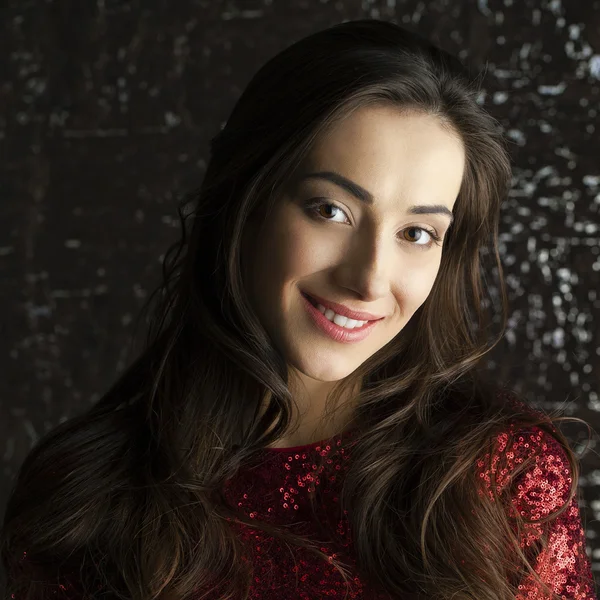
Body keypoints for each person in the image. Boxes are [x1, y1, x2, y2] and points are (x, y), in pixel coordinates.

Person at [1, 18, 597, 600]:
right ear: (248, 202)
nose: (368, 279)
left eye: (417, 233)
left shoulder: (504, 482)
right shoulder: (85, 503)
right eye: (330, 210)